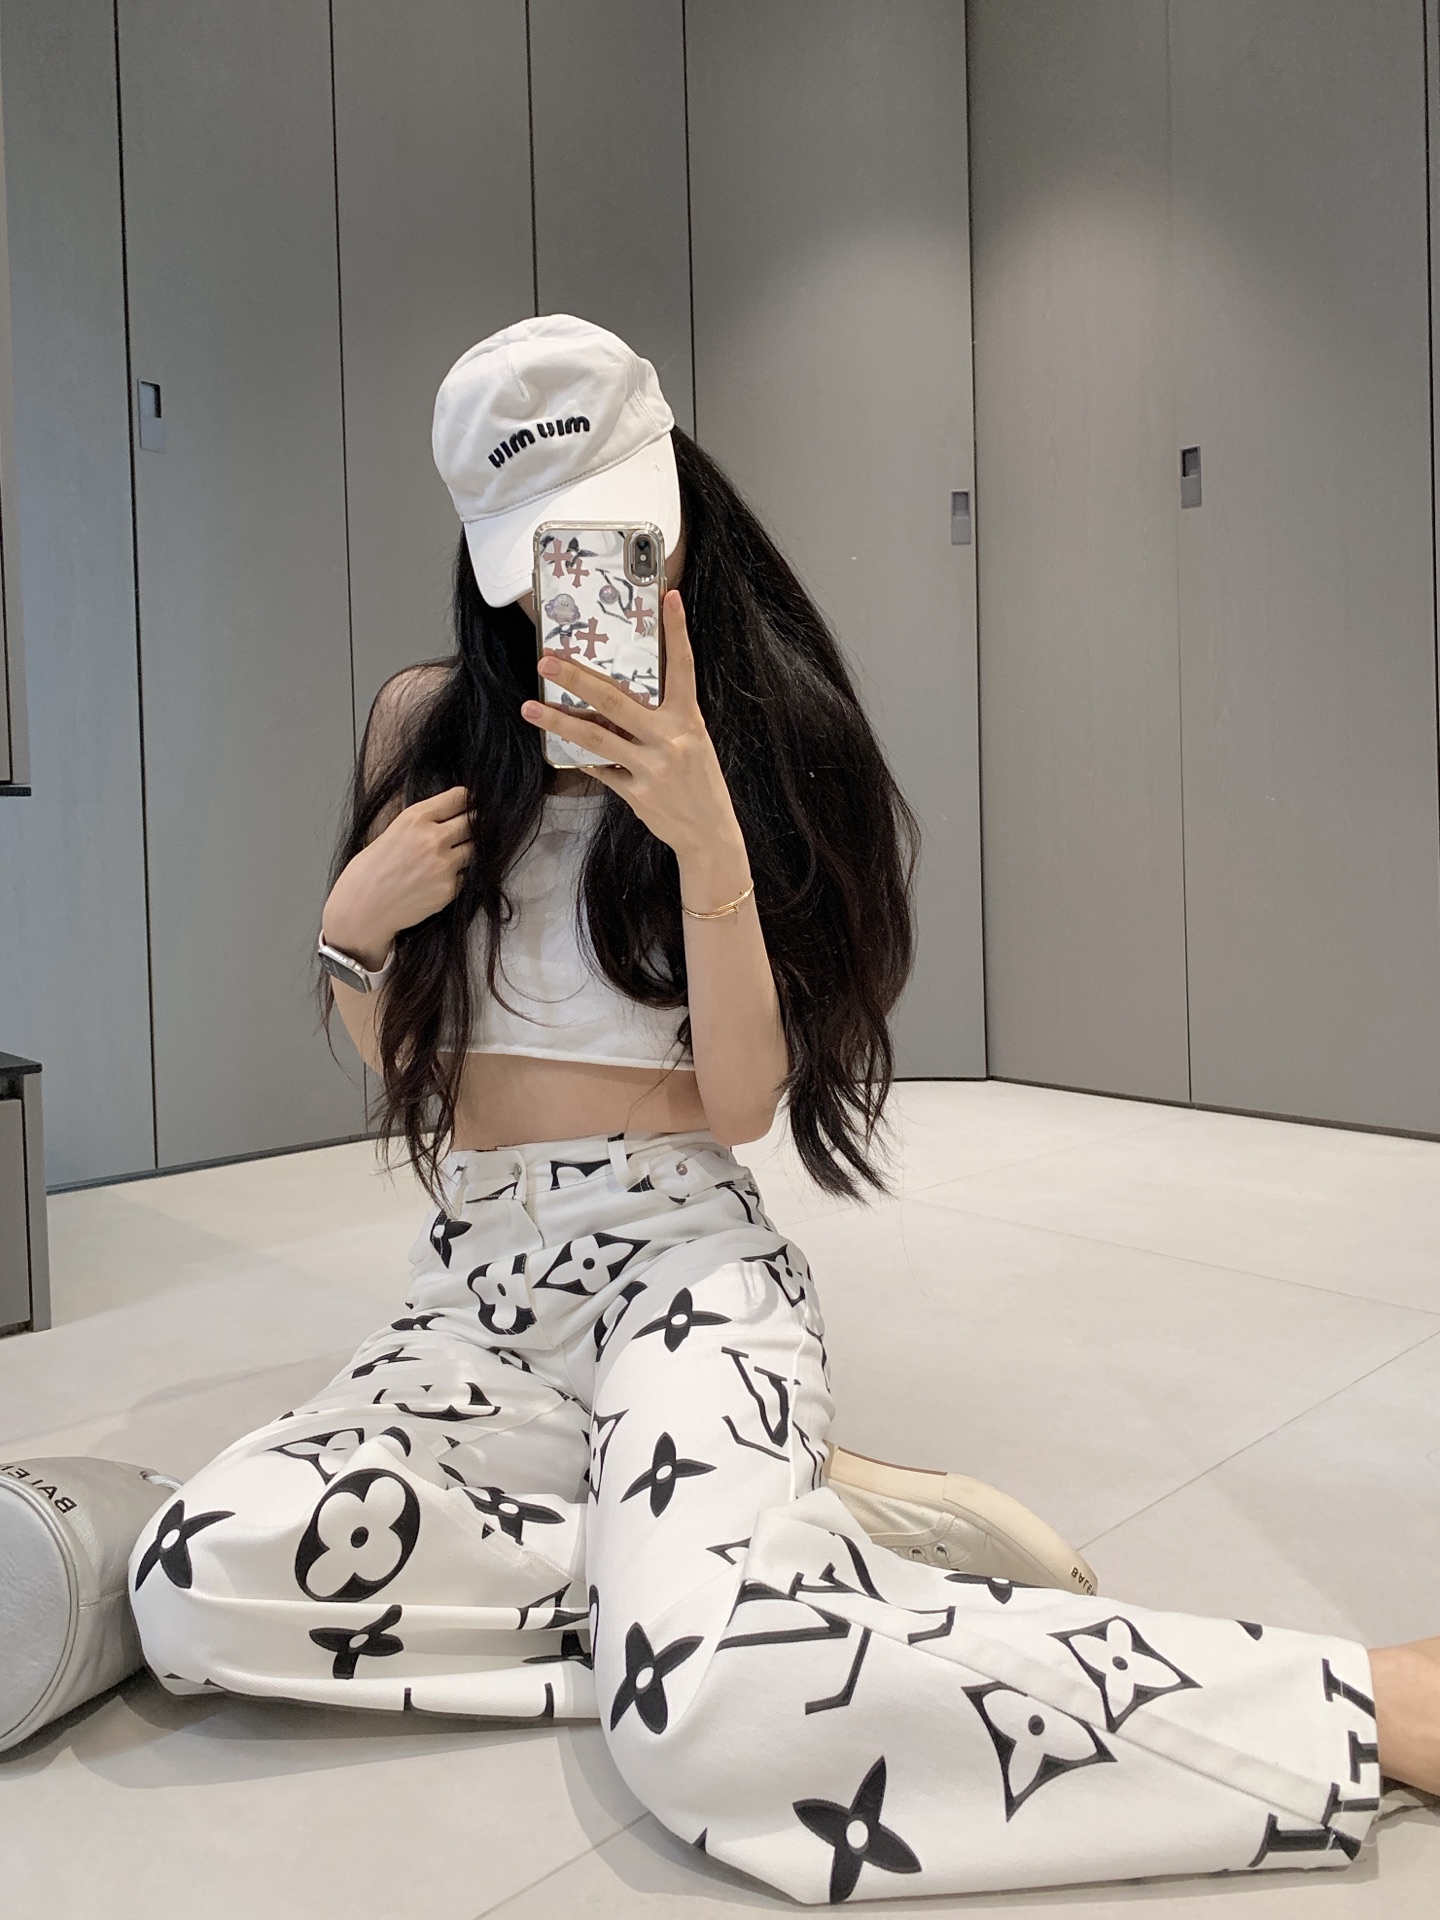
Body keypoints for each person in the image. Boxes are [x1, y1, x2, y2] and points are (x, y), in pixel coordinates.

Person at [129, 315, 1438, 1905]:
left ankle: (1363, 1701)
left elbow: (744, 1102)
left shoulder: (764, 742)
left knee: (710, 1731)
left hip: (678, 1262)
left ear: (675, 497)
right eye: (535, 563)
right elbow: (417, 1068)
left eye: (609, 543)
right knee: (193, 1579)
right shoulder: (427, 725)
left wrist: (705, 836)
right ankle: (747, 1565)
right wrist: (350, 924)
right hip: (478, 1289)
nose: (573, 594)